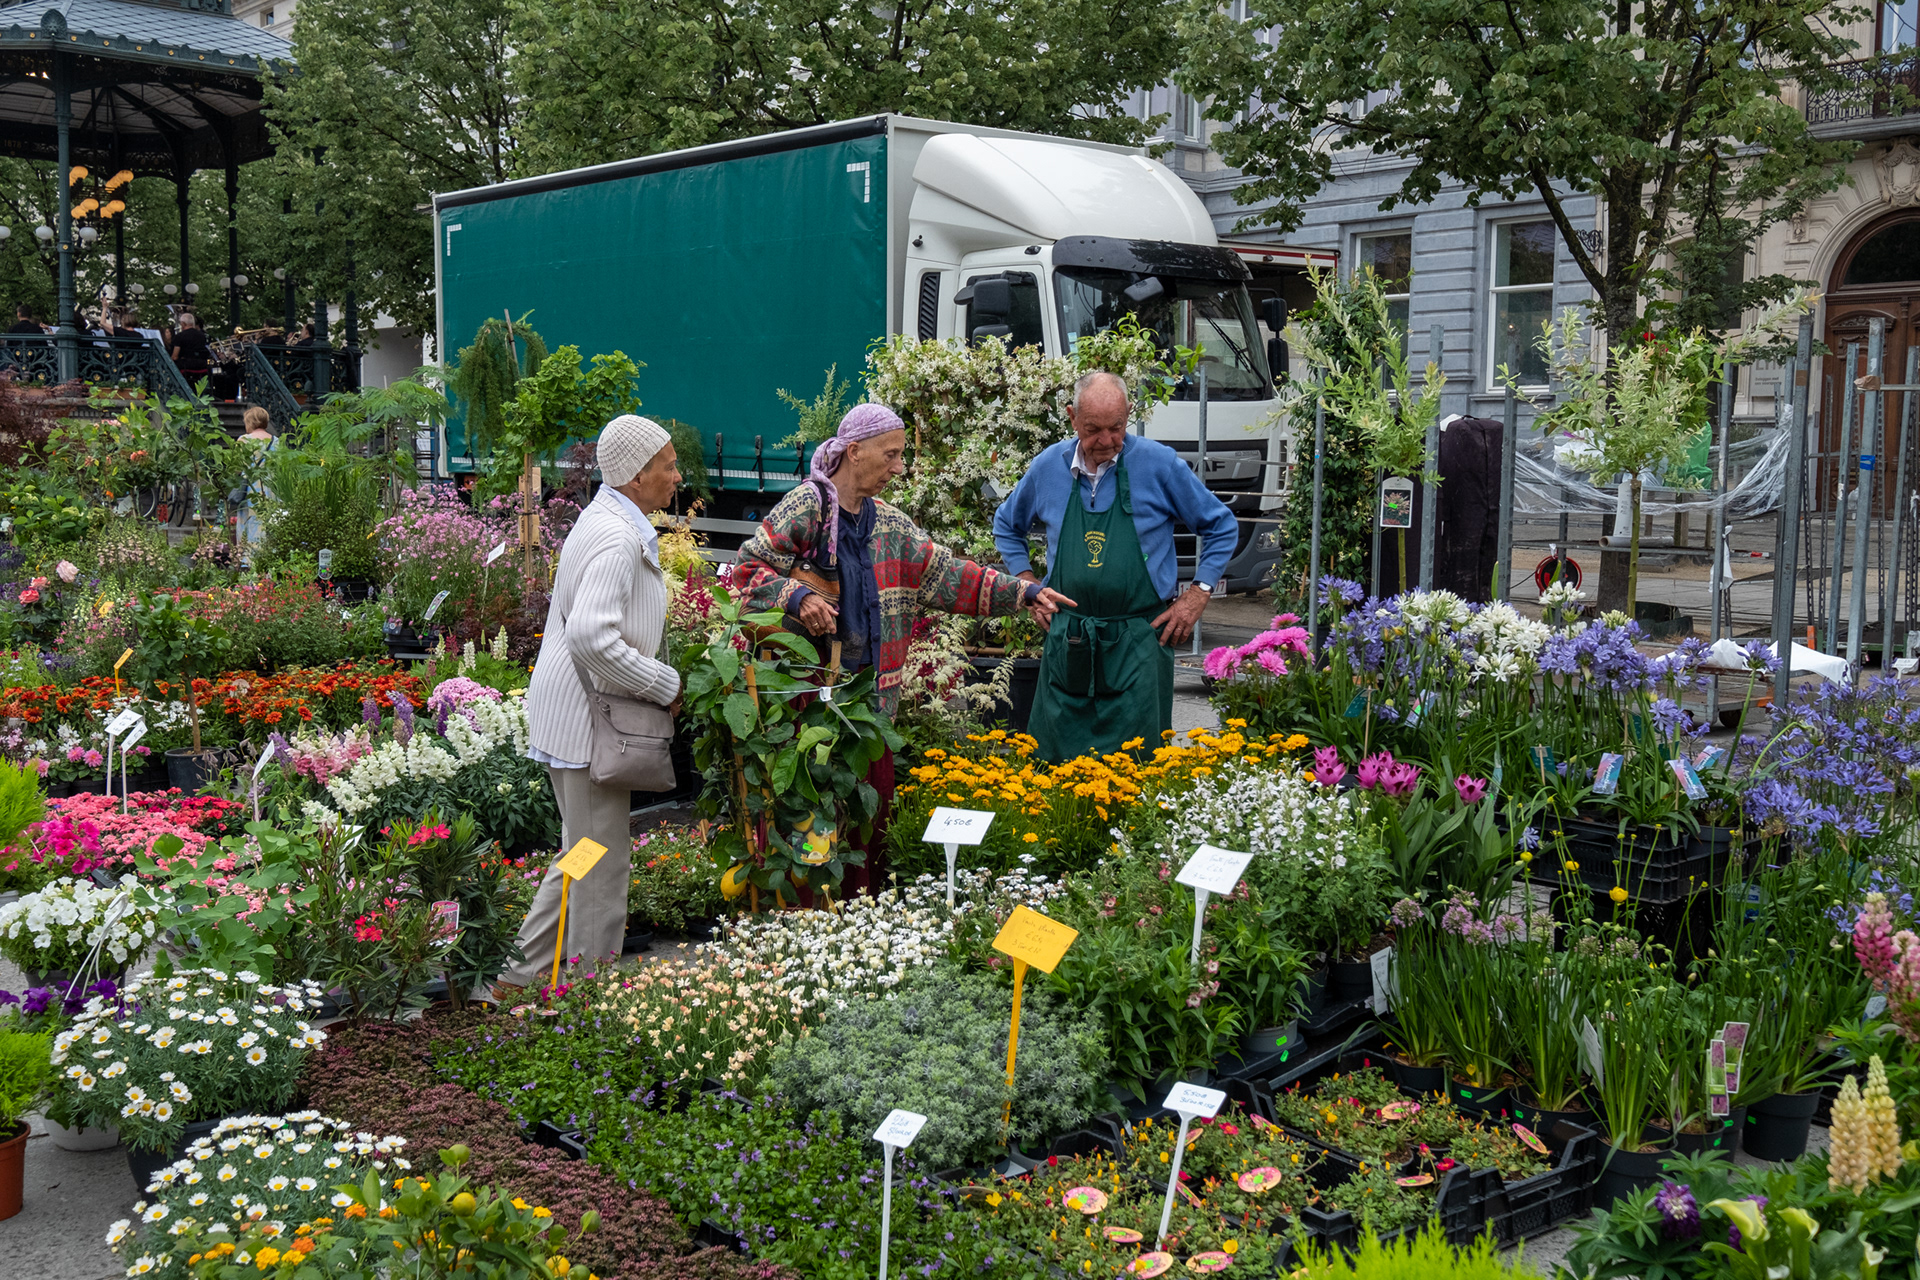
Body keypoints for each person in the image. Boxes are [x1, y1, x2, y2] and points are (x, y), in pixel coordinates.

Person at [734, 402, 1074, 888]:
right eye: (891, 455)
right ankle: (808, 919)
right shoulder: (807, 507)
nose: (899, 467)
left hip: (871, 705)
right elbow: (747, 569)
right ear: (855, 451)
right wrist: (797, 596)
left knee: (870, 813)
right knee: (811, 816)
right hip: (807, 703)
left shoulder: (891, 526)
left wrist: (1025, 592)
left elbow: (948, 575)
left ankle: (860, 914)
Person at [493, 414, 684, 1000]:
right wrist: (663, 684)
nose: (678, 476)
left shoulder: (605, 520)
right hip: (591, 723)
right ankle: (586, 999)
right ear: (635, 474)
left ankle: (519, 978)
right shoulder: (617, 536)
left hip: (575, 717)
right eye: (669, 466)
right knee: (601, 866)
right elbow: (592, 638)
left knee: (579, 850)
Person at [991, 370, 1238, 762]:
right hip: (1069, 641)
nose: (1106, 441)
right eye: (1093, 429)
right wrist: (1027, 585)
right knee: (1051, 770)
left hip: (1140, 643)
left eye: (1116, 427)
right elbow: (1006, 524)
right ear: (1072, 417)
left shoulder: (1159, 465)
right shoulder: (1047, 468)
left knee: (1138, 770)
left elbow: (1221, 525)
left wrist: (1197, 595)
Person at [170, 311, 212, 384]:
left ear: (183, 324)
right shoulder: (203, 336)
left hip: (186, 366)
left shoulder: (180, 336)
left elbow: (175, 357)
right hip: (202, 365)